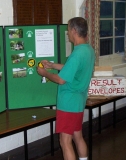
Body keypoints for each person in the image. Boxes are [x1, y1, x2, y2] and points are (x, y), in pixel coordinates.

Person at [37, 17, 95, 160]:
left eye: (68, 29)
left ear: (74, 31)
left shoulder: (76, 54)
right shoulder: (88, 50)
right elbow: (72, 70)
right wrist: (52, 65)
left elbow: (61, 80)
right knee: (78, 136)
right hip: (79, 102)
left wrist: (44, 73)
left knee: (65, 142)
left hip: (68, 103)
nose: (67, 33)